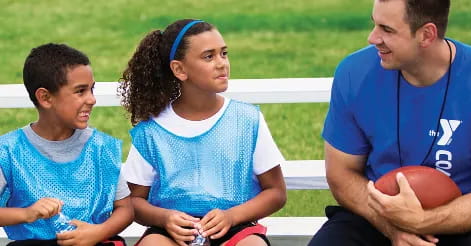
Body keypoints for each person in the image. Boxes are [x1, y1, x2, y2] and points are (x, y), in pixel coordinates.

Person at [309, 0, 471, 246]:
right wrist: (393, 227)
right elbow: (341, 174)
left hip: (465, 218)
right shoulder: (354, 73)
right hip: (375, 215)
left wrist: (422, 222)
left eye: (386, 29)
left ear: (426, 34)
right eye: (374, 24)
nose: (372, 38)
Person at [119, 19, 287, 246]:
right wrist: (166, 218)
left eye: (224, 54)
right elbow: (134, 202)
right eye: (209, 56)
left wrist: (231, 216)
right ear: (179, 69)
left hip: (235, 227)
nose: (221, 64)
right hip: (172, 231)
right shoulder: (152, 131)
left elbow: (276, 192)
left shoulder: (247, 120)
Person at [0, 43, 134, 246]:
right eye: (80, 91)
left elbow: (125, 209)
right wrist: (26, 214)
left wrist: (99, 232)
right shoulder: (8, 151)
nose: (92, 99)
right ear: (45, 97)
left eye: (92, 89)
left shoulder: (101, 148)